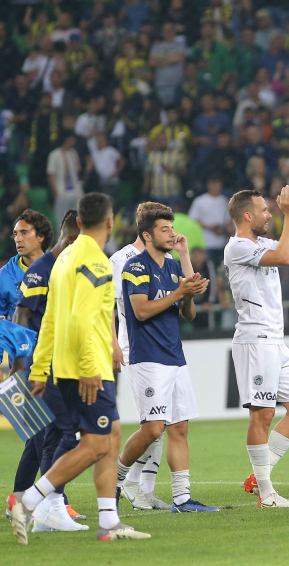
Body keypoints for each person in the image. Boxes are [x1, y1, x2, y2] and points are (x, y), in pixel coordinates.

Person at [10, 192, 151, 544]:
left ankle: (109, 521)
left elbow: (52, 321)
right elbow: (82, 319)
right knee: (93, 445)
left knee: (112, 435)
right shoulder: (96, 262)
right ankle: (28, 501)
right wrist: (91, 368)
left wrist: (40, 369)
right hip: (87, 369)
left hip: (62, 365)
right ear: (108, 221)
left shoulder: (64, 258)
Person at [116, 206, 216, 513]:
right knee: (152, 429)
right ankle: (116, 480)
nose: (171, 234)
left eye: (172, 228)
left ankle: (182, 499)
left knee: (180, 428)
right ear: (147, 235)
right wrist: (178, 293)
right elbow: (141, 311)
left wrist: (186, 293)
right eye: (164, 230)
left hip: (175, 356)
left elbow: (188, 314)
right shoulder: (134, 267)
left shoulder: (173, 266)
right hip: (147, 359)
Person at [226, 185, 289, 507]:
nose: (270, 214)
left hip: (274, 340)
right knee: (262, 415)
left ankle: (258, 475)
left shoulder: (262, 242)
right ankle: (266, 493)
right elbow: (282, 256)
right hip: (254, 340)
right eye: (265, 210)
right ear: (247, 215)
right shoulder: (237, 246)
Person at [10, 211, 82, 533]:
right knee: (58, 434)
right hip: (38, 365)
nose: (17, 238)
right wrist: (20, 366)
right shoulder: (43, 270)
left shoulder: (62, 265)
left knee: (40, 438)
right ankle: (51, 503)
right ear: (71, 237)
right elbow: (21, 315)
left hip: (55, 363)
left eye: (23, 232)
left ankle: (22, 502)